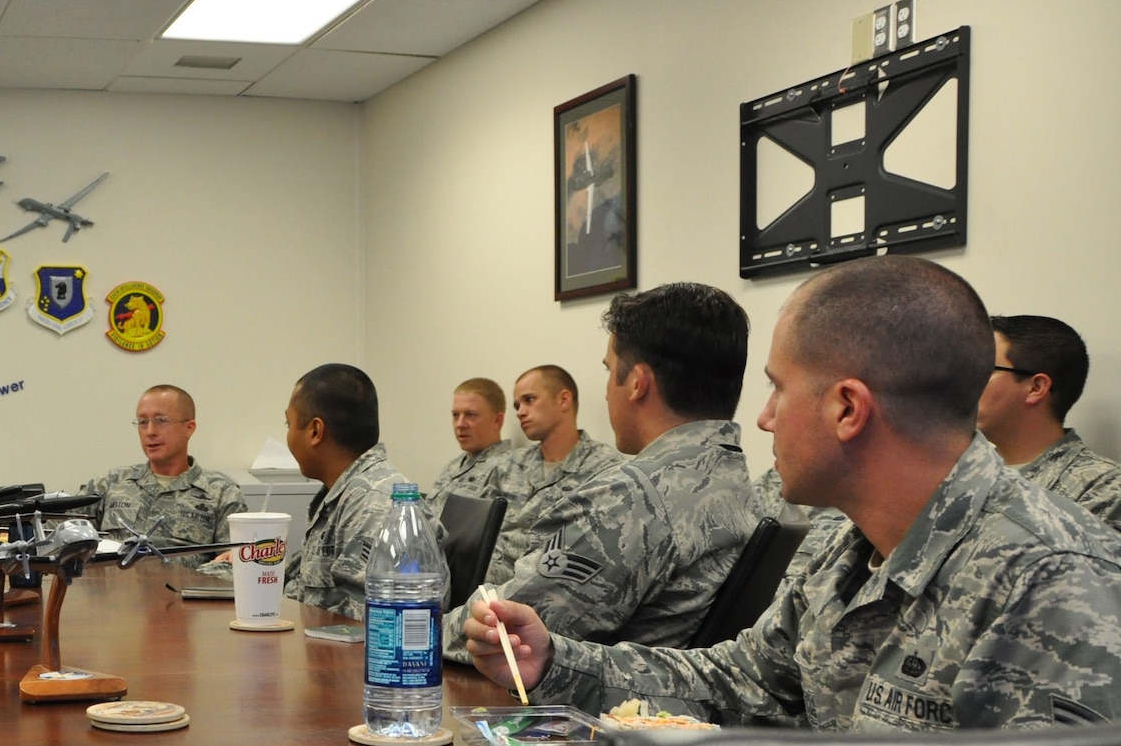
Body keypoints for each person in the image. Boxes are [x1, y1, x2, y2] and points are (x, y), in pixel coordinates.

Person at [465, 256, 1121, 729]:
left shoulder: (1053, 581)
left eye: (779, 388)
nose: (764, 418)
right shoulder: (845, 545)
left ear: (847, 409)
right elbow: (743, 680)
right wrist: (553, 659)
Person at [453, 283, 758, 660]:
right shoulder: (735, 480)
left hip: (581, 694)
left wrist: (420, 624)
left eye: (610, 370)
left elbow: (503, 628)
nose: (606, 391)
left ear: (637, 384)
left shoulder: (631, 500)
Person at [279, 363, 414, 620]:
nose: (288, 434)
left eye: (289, 423)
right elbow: (300, 584)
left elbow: (371, 620)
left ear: (315, 431)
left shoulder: (376, 504)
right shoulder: (345, 495)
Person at [477, 366, 625, 585]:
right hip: (485, 588)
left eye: (529, 400)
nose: (520, 412)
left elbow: (603, 551)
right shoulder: (509, 465)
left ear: (563, 400)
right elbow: (478, 534)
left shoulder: (604, 468)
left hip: (553, 590)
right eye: (517, 405)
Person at [977, 314, 1121, 534]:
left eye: (981, 370)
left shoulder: (1104, 491)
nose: (963, 383)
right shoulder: (963, 474)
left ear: (1036, 388)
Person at [79, 385, 247, 571]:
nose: (150, 431)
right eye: (143, 422)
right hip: (111, 588)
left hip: (183, 589)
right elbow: (62, 539)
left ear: (188, 428)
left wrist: (193, 578)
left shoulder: (222, 494)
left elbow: (237, 563)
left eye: (161, 421)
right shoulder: (110, 484)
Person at [425, 377, 516, 520]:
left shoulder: (507, 469)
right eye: (455, 415)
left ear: (497, 421)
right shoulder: (453, 467)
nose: (460, 424)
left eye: (470, 415)